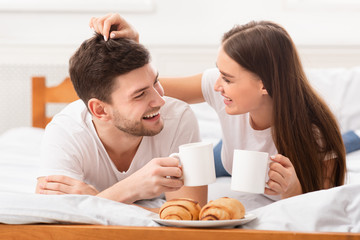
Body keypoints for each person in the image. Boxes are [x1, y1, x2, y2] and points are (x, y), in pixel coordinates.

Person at [89, 14, 346, 200]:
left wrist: (293, 191)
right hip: (227, 155)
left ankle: (352, 138)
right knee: (197, 159)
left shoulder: (314, 133)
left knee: (348, 142)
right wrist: (133, 45)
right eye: (220, 73)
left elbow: (324, 209)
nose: (216, 86)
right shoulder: (220, 86)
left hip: (250, 157)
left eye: (229, 79)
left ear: (265, 85)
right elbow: (144, 89)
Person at [35, 32, 207, 208]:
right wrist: (132, 188)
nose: (160, 101)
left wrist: (96, 201)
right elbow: (54, 215)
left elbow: (189, 216)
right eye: (140, 94)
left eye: (155, 82)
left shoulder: (179, 118)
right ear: (100, 110)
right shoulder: (66, 131)